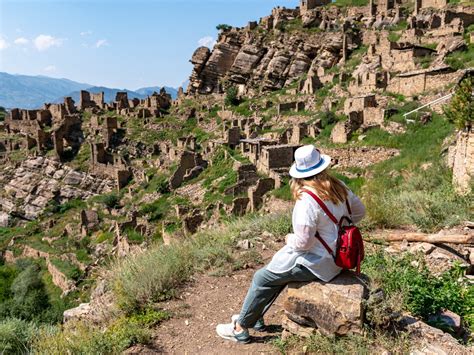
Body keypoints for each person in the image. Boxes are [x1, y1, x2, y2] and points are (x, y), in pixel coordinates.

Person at [216, 145, 366, 343]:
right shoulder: (340, 187)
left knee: (262, 277)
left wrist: (288, 239)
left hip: (320, 263)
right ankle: (256, 317)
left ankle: (240, 328)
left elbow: (303, 242)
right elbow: (360, 212)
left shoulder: (307, 200)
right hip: (340, 258)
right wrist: (335, 229)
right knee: (276, 272)